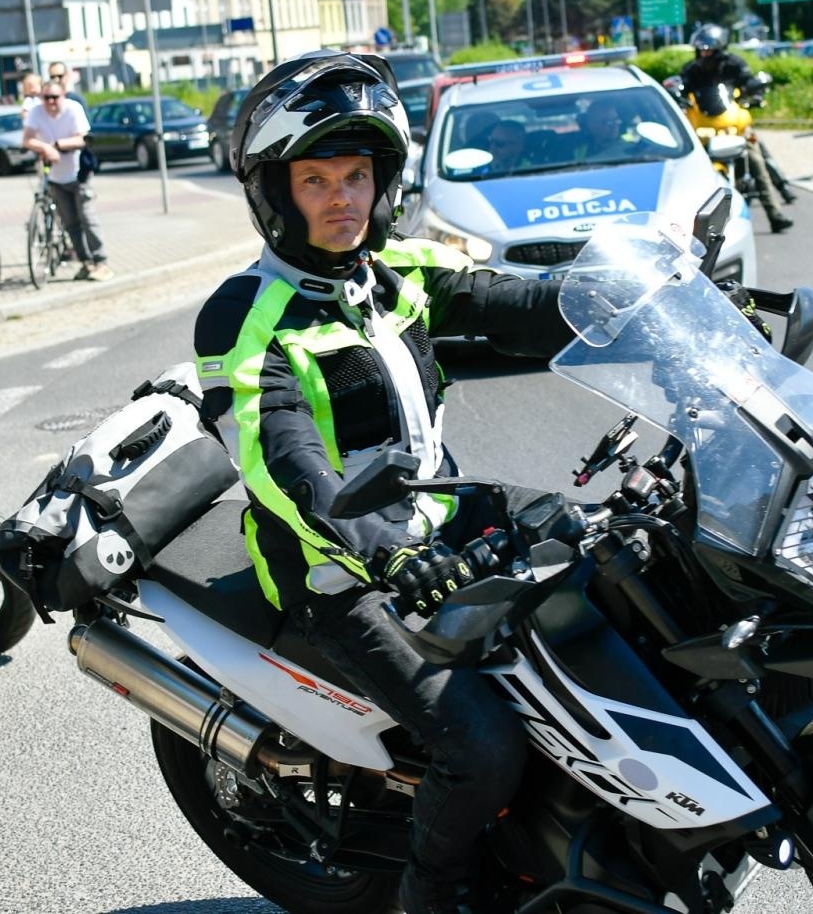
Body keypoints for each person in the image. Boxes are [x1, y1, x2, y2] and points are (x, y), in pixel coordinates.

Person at [193, 50, 574, 914]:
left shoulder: (399, 271)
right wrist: (381, 553)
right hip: (335, 569)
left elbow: (521, 301)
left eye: (357, 175)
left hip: (440, 518)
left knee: (601, 551)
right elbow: (280, 459)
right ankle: (430, 894)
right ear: (276, 194)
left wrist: (646, 305)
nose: (342, 197)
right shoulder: (245, 313)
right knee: (479, 745)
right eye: (316, 178)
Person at [679, 24, 794, 232]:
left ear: (720, 49)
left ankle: (775, 213)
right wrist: (677, 96)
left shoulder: (734, 64)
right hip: (703, 126)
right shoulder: (691, 69)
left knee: (756, 159)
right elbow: (681, 86)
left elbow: (748, 81)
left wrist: (755, 94)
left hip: (732, 123)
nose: (705, 53)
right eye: (701, 49)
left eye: (709, 49)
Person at [23, 81, 110, 281]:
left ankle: (101, 262)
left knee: (87, 217)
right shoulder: (36, 112)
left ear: (63, 96)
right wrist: (45, 149)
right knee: (70, 223)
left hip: (78, 173)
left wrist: (56, 145)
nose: (51, 102)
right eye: (46, 98)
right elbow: (26, 139)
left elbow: (82, 139)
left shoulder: (73, 109)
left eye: (55, 97)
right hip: (55, 176)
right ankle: (86, 263)